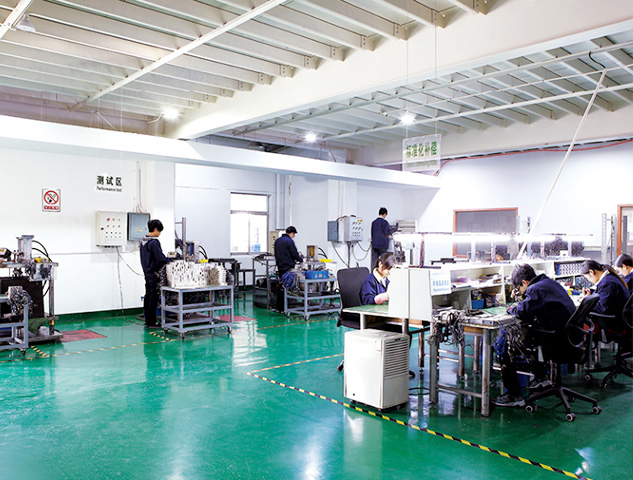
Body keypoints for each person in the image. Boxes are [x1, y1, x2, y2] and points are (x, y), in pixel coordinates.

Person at [492, 264, 575, 407]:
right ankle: (540, 377)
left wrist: (512, 309)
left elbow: (523, 312)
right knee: (529, 335)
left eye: (519, 288)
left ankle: (514, 395)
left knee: (503, 345)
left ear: (524, 282)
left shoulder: (535, 289)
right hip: (569, 337)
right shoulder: (549, 283)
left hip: (558, 340)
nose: (520, 292)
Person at [581, 259, 630, 331]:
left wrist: (586, 303)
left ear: (591, 272)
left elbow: (603, 309)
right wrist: (590, 295)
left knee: (582, 317)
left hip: (615, 323)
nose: (589, 280)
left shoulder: (607, 283)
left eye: (587, 278)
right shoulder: (609, 278)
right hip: (620, 318)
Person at [140, 219, 171, 328]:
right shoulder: (154, 242)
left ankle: (148, 321)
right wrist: (171, 261)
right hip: (154, 273)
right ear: (155, 229)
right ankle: (152, 322)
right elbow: (160, 258)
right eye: (159, 231)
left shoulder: (144, 241)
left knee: (148, 296)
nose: (160, 233)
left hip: (147, 272)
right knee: (153, 297)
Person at [274, 226, 302, 312]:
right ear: (292, 233)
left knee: (281, 286)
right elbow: (294, 254)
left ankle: (279, 307)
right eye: (294, 234)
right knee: (287, 287)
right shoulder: (289, 241)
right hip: (288, 267)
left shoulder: (277, 241)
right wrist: (301, 260)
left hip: (280, 266)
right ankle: (285, 307)